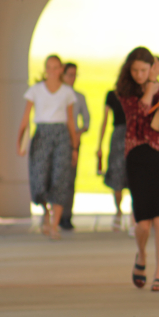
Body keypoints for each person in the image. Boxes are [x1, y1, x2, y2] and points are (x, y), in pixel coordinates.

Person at [117, 47, 159, 292]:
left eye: (143, 70)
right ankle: (141, 254)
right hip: (136, 157)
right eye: (134, 70)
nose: (139, 74)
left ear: (152, 68)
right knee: (143, 223)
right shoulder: (124, 91)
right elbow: (136, 115)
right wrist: (149, 90)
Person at [17, 54, 79, 240]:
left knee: (60, 177)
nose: (52, 71)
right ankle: (46, 210)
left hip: (61, 135)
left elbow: (70, 120)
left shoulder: (67, 92)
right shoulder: (35, 90)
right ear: (45, 69)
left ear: (61, 69)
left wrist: (74, 146)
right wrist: (20, 141)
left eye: (56, 67)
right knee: (40, 177)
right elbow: (25, 118)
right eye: (49, 67)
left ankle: (54, 225)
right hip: (42, 134)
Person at [59, 62, 90, 230]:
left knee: (70, 178)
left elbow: (86, 120)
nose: (72, 78)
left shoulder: (80, 96)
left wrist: (78, 133)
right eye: (69, 75)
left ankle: (66, 215)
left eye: (74, 75)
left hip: (73, 140)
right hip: (57, 137)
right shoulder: (56, 94)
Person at [97, 87, 128, 231]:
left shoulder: (139, 93)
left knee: (135, 174)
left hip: (134, 134)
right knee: (116, 174)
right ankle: (118, 210)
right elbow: (104, 120)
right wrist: (99, 145)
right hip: (118, 136)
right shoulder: (112, 95)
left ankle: (135, 215)